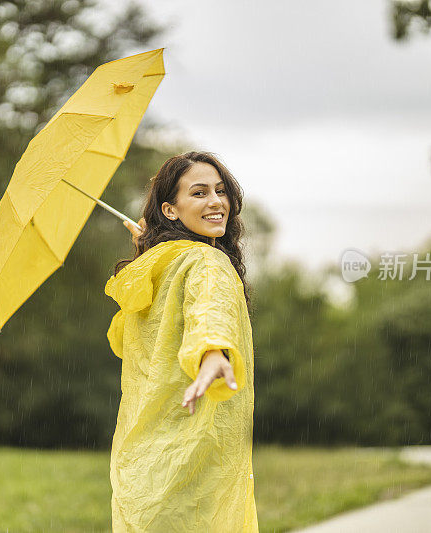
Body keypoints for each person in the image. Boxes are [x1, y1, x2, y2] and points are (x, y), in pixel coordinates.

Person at [104, 151, 258, 531]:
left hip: (142, 458)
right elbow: (210, 308)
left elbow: (138, 337)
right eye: (200, 193)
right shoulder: (206, 262)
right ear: (171, 210)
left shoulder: (159, 267)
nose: (216, 202)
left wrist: (150, 251)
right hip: (190, 451)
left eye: (220, 191)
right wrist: (212, 354)